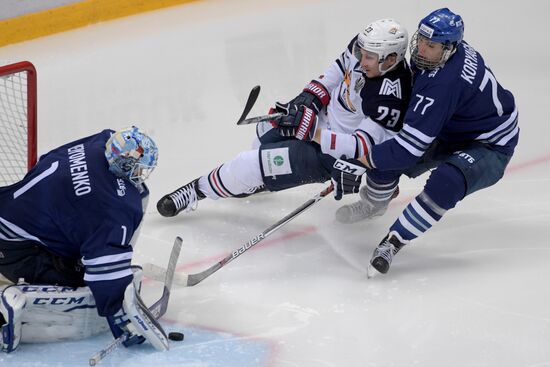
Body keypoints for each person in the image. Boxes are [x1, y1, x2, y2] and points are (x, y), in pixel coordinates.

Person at [157, 19, 412, 219]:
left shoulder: (390, 97)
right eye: (362, 52)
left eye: (369, 57)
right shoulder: (365, 48)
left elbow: (361, 147)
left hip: (331, 153)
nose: (361, 59)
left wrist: (311, 131)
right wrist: (308, 100)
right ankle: (255, 183)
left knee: (248, 164)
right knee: (265, 129)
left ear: (391, 59)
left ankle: (196, 190)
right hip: (322, 121)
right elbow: (338, 69)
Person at [336, 8, 519, 275]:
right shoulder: (444, 57)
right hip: (453, 127)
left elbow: (408, 150)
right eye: (420, 39)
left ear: (448, 48)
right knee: (386, 150)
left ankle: (393, 241)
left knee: (446, 180)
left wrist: (358, 161)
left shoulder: (443, 84)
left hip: (490, 143)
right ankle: (374, 204)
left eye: (430, 45)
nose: (421, 49)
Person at [0, 126, 168, 353]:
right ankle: (9, 302)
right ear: (126, 165)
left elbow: (45, 160)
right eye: (139, 168)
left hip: (8, 203)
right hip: (15, 248)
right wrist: (124, 322)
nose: (141, 173)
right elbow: (103, 276)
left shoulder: (100, 142)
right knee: (81, 278)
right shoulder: (113, 208)